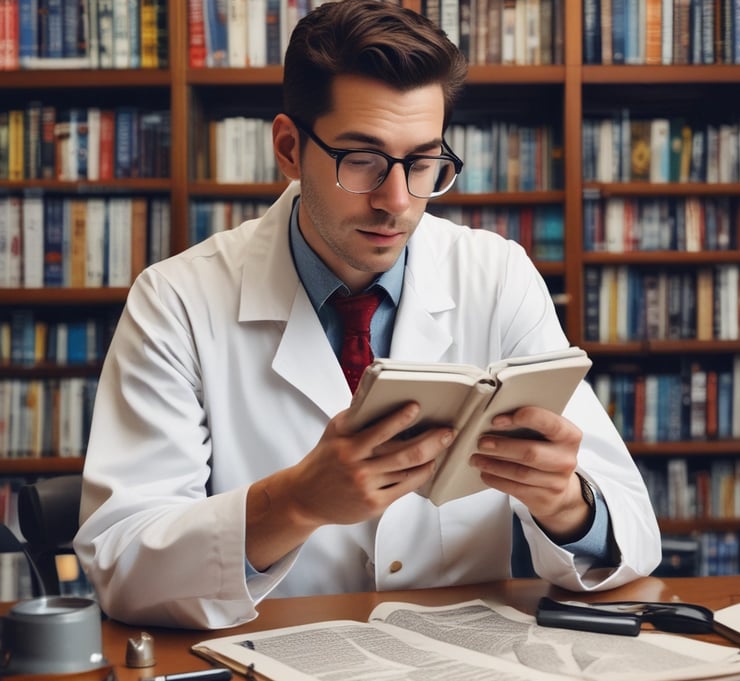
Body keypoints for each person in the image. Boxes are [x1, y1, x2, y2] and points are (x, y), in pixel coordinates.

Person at [74, 0, 661, 629]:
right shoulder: (176, 301)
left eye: (423, 161)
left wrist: (566, 503)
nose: (397, 200)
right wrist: (294, 502)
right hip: (272, 658)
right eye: (362, 159)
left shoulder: (498, 275)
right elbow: (121, 563)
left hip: (459, 664)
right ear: (289, 148)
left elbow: (631, 536)